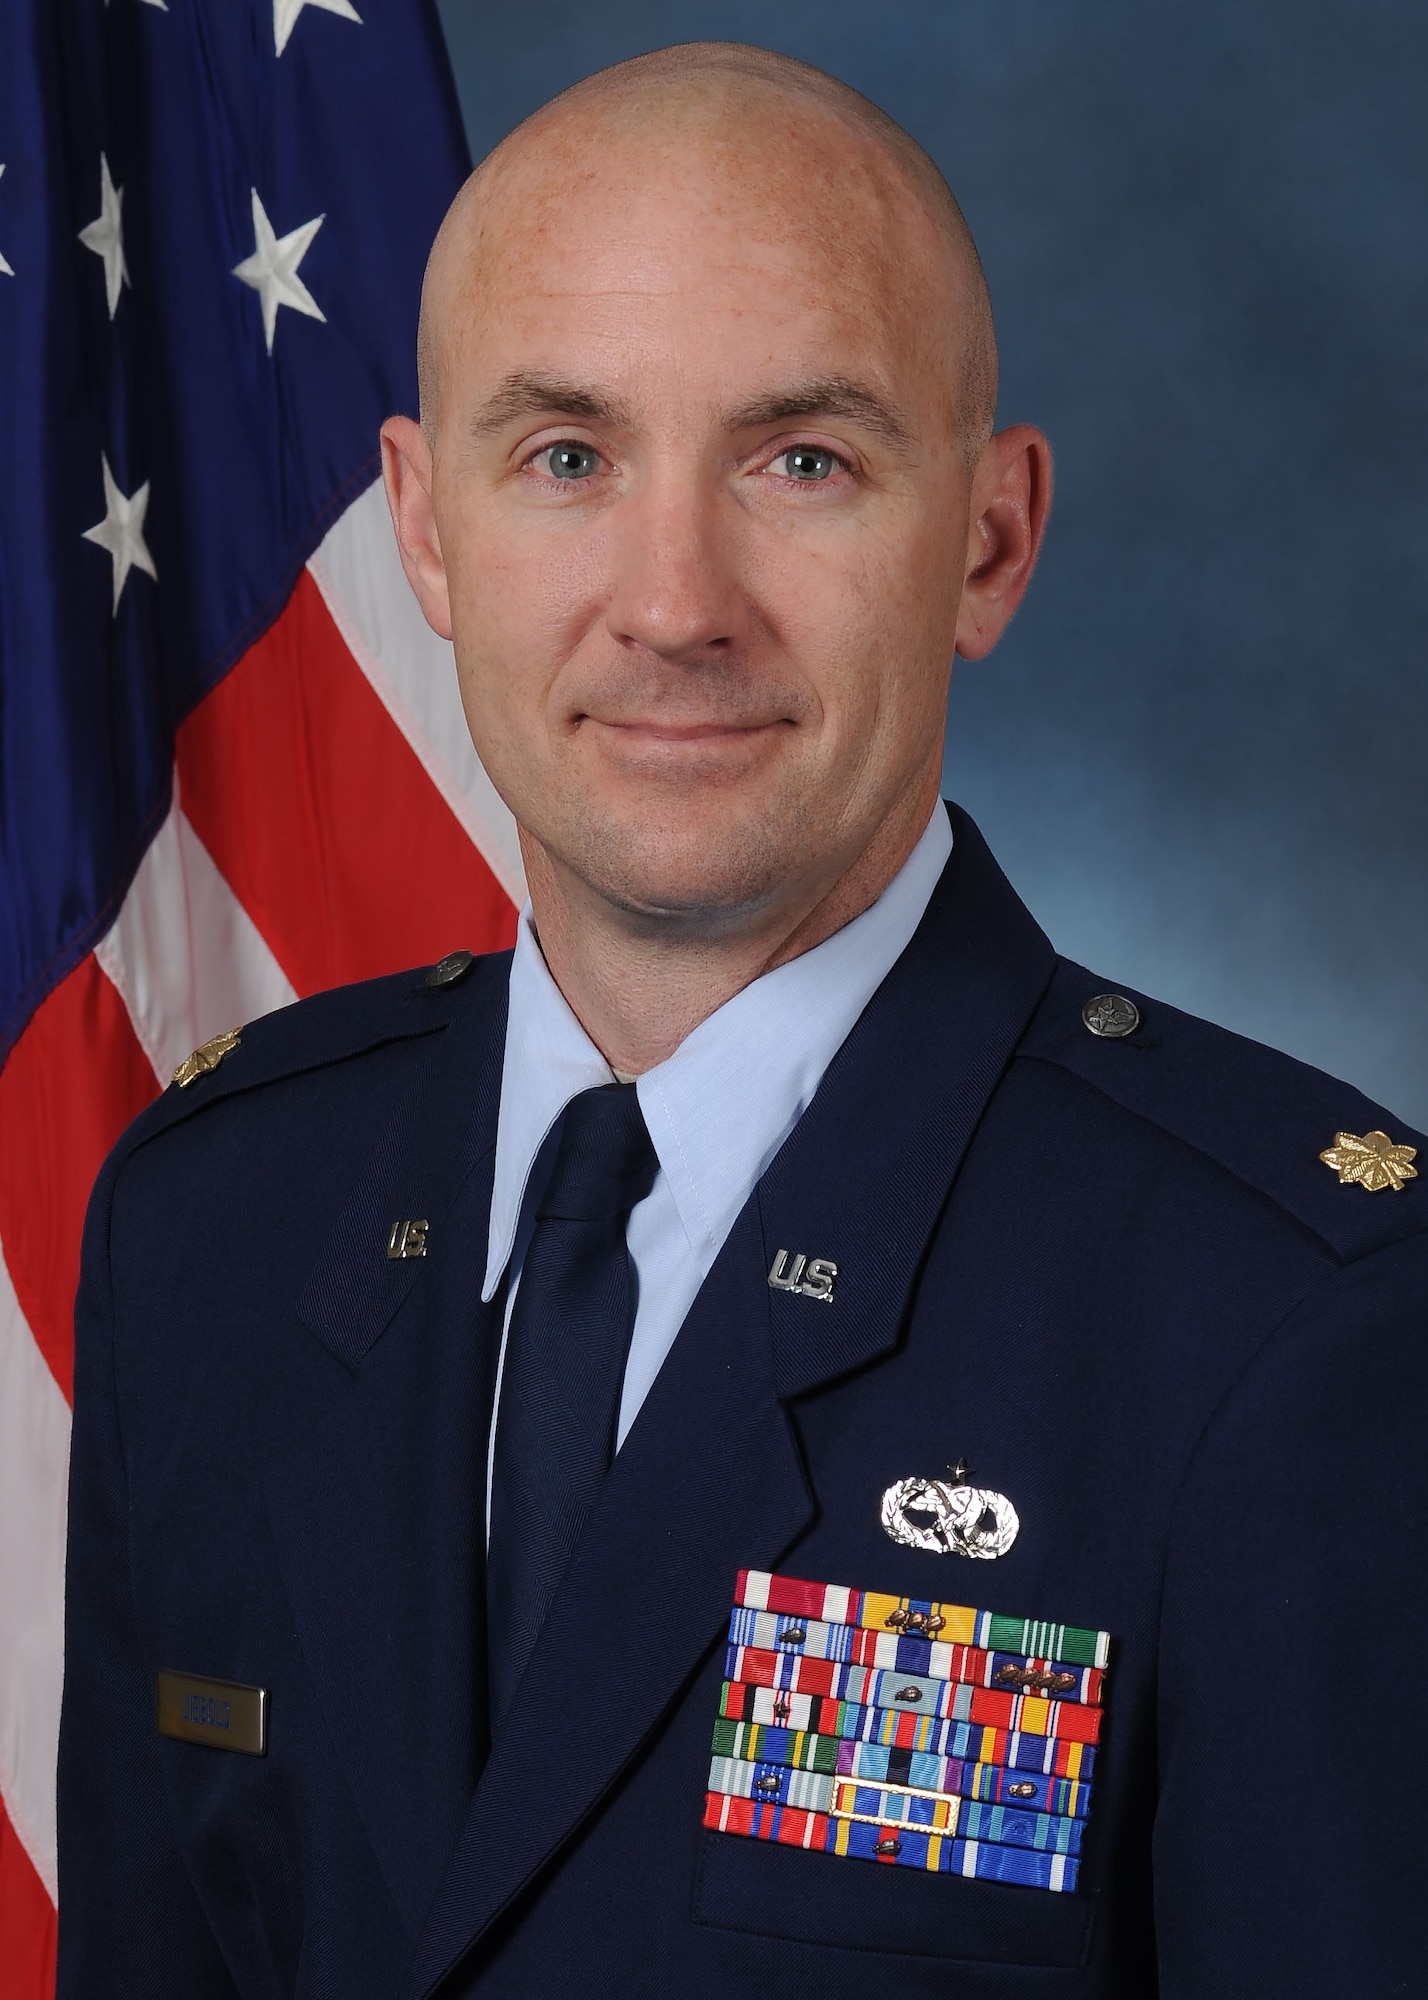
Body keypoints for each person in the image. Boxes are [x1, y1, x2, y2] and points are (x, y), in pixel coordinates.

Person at [58, 41, 1426, 2000]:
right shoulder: (215, 1220)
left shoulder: (1295, 1320)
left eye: (803, 460)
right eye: (566, 458)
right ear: (427, 530)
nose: (675, 602)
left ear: (988, 539)